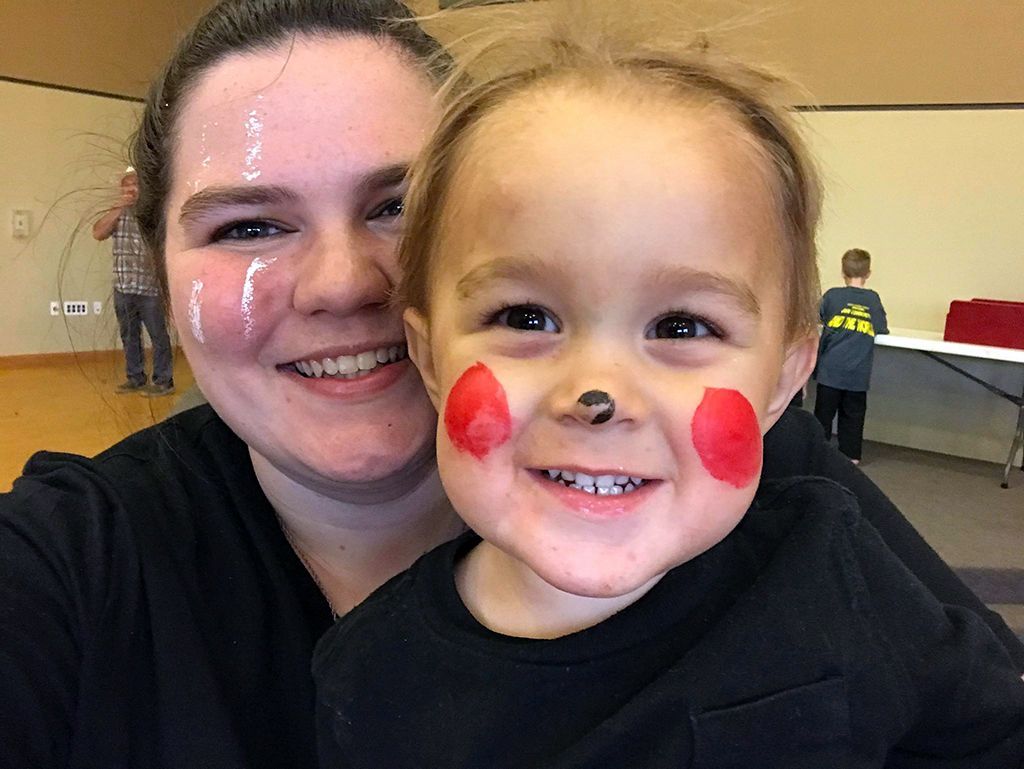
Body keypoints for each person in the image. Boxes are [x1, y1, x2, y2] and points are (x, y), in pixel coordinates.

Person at [0, 2, 1019, 768]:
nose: (344, 281)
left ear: (783, 379)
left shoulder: (764, 498)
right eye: (249, 225)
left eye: (400, 206)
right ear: (157, 264)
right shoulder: (71, 567)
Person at [313, 7, 1024, 767]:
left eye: (682, 327)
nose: (597, 395)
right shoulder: (369, 676)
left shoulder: (832, 572)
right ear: (429, 358)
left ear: (783, 381)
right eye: (525, 316)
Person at [91, 168, 175, 396]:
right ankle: (135, 378)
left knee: (158, 335)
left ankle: (163, 381)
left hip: (150, 288)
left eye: (134, 185)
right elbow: (98, 233)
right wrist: (120, 207)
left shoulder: (152, 214)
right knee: (129, 335)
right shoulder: (117, 213)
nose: (130, 189)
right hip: (123, 287)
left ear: (142, 188)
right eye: (126, 186)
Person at [813, 248, 889, 463]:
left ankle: (818, 453)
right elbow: (882, 328)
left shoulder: (832, 296)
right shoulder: (873, 299)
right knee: (853, 416)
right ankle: (851, 456)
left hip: (830, 372)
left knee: (823, 415)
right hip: (858, 374)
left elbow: (816, 317)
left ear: (843, 272)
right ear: (868, 273)